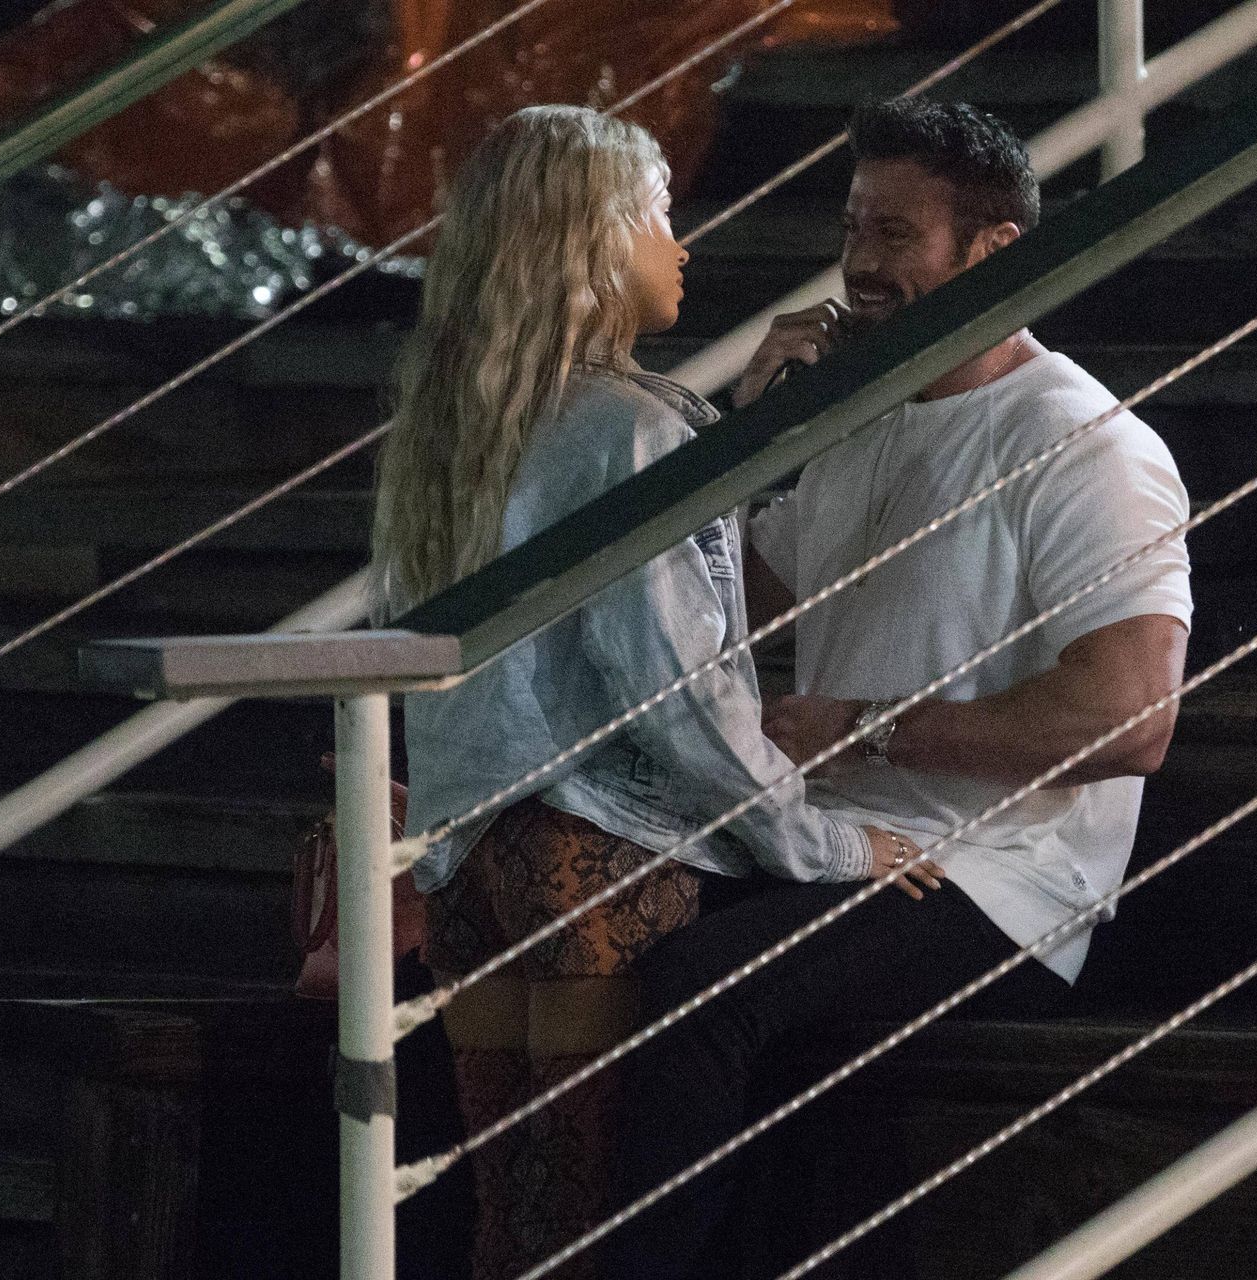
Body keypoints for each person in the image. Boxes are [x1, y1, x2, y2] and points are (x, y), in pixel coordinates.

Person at [601, 98, 1194, 1278]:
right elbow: (715, 610)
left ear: (996, 251)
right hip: (832, 842)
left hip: (992, 876)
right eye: (854, 228)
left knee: (692, 993)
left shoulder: (1085, 443)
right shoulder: (863, 416)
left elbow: (1132, 716)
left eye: (895, 235)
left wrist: (859, 728)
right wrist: (749, 438)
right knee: (563, 937)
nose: (861, 266)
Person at [369, 104, 936, 1280]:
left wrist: (735, 441)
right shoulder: (628, 428)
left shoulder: (453, 431)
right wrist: (833, 842)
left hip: (473, 863)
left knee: (512, 1222)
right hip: (600, 859)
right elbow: (676, 697)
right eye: (657, 220)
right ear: (590, 245)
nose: (681, 248)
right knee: (600, 1223)